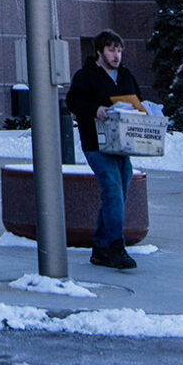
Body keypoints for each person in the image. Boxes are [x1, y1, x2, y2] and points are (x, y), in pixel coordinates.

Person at [66, 30, 147, 269]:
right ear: (99, 52)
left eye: (119, 50)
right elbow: (73, 102)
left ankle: (101, 247)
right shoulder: (86, 75)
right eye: (111, 50)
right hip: (96, 144)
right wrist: (95, 109)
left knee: (118, 194)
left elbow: (137, 100)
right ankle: (115, 246)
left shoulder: (126, 76)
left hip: (122, 145)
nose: (116, 55)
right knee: (112, 191)